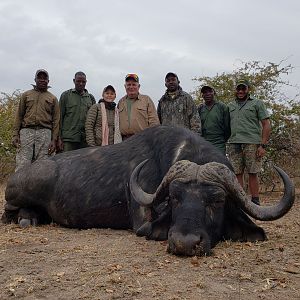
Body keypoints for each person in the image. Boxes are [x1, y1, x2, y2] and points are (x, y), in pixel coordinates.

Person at [227, 79, 271, 205]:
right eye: (238, 89)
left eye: (243, 89)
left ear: (248, 89)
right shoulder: (230, 106)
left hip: (252, 143)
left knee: (253, 172)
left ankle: (255, 201)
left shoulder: (257, 103)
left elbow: (266, 124)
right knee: (237, 173)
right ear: (235, 90)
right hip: (234, 143)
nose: (240, 91)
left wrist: (262, 145)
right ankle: (241, 201)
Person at [12, 69, 60, 171]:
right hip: (26, 132)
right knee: (22, 164)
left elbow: (56, 121)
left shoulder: (53, 98)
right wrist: (15, 135)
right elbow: (19, 116)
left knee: (43, 165)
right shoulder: (26, 95)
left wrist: (54, 140)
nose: (42, 80)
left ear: (48, 81)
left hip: (45, 132)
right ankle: (20, 186)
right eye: (39, 78)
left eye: (45, 78)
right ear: (35, 79)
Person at [58, 71, 95, 151]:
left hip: (85, 139)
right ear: (74, 81)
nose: (81, 83)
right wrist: (59, 138)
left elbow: (93, 121)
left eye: (83, 82)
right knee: (67, 162)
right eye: (78, 81)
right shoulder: (66, 95)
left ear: (86, 82)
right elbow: (59, 118)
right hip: (69, 139)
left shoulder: (90, 98)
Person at [118, 74, 160, 139]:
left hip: (142, 140)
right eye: (128, 85)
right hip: (124, 141)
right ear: (125, 86)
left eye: (134, 84)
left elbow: (154, 122)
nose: (131, 87)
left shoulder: (147, 100)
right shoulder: (120, 102)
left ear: (139, 86)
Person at [198, 85, 231, 155]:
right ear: (202, 95)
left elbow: (227, 127)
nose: (207, 94)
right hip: (204, 142)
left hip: (219, 143)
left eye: (210, 91)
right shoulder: (200, 108)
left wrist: (222, 139)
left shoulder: (222, 107)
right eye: (205, 92)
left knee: (219, 164)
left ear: (214, 93)